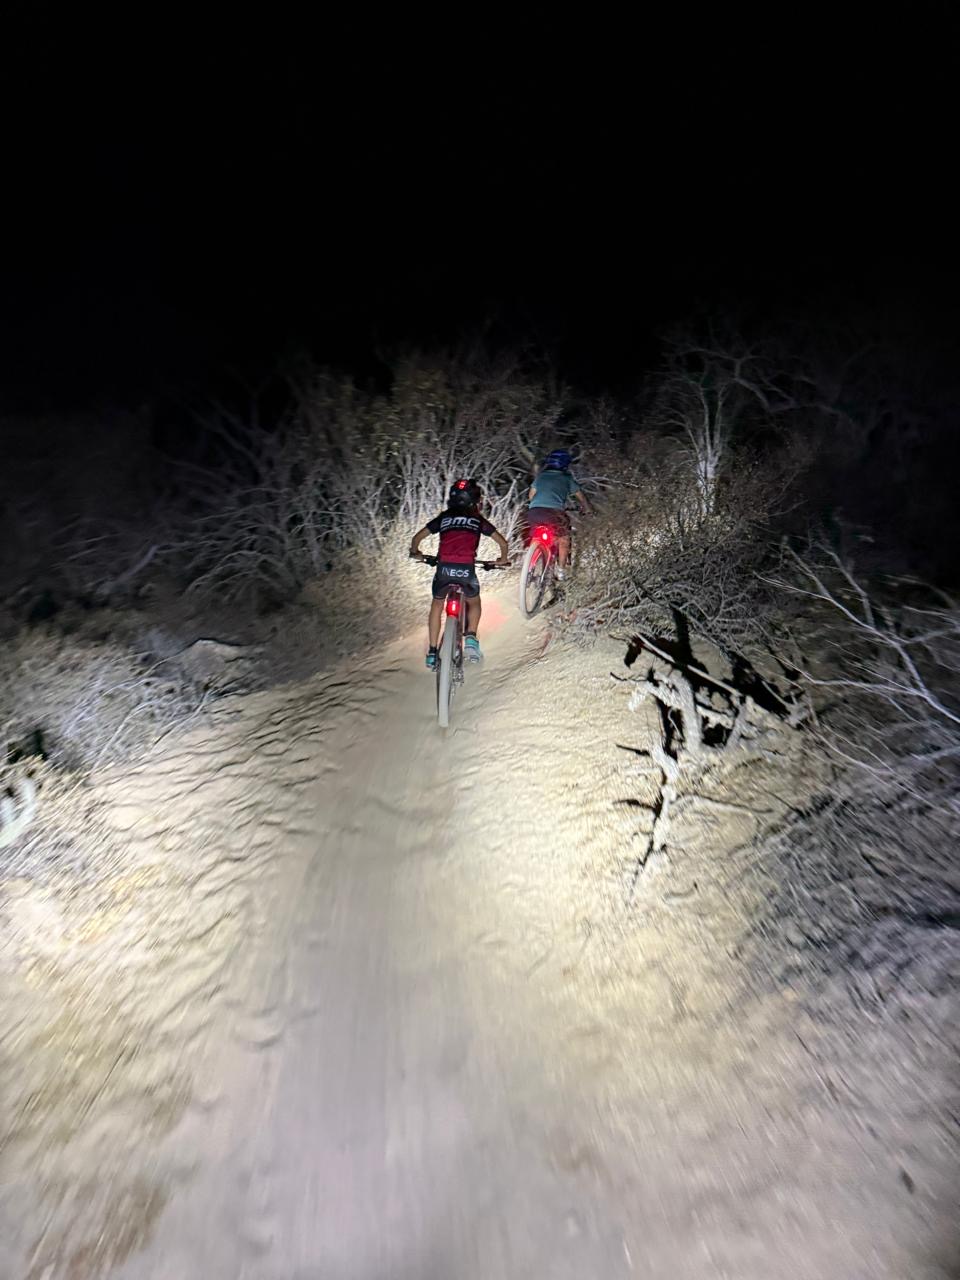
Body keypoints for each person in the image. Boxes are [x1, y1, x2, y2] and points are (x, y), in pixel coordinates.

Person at [409, 478, 510, 668]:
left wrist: (416, 553)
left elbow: (417, 538)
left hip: (444, 569)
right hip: (466, 570)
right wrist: (502, 560)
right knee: (474, 602)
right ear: (475, 500)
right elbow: (503, 543)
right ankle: (471, 638)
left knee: (437, 605)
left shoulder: (444, 518)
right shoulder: (477, 520)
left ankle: (432, 652)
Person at [527, 449, 589, 578]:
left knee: (536, 535)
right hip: (555, 513)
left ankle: (529, 565)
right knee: (564, 539)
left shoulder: (541, 476)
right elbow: (581, 497)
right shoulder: (566, 477)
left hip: (534, 512)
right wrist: (587, 508)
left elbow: (531, 496)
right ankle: (560, 571)